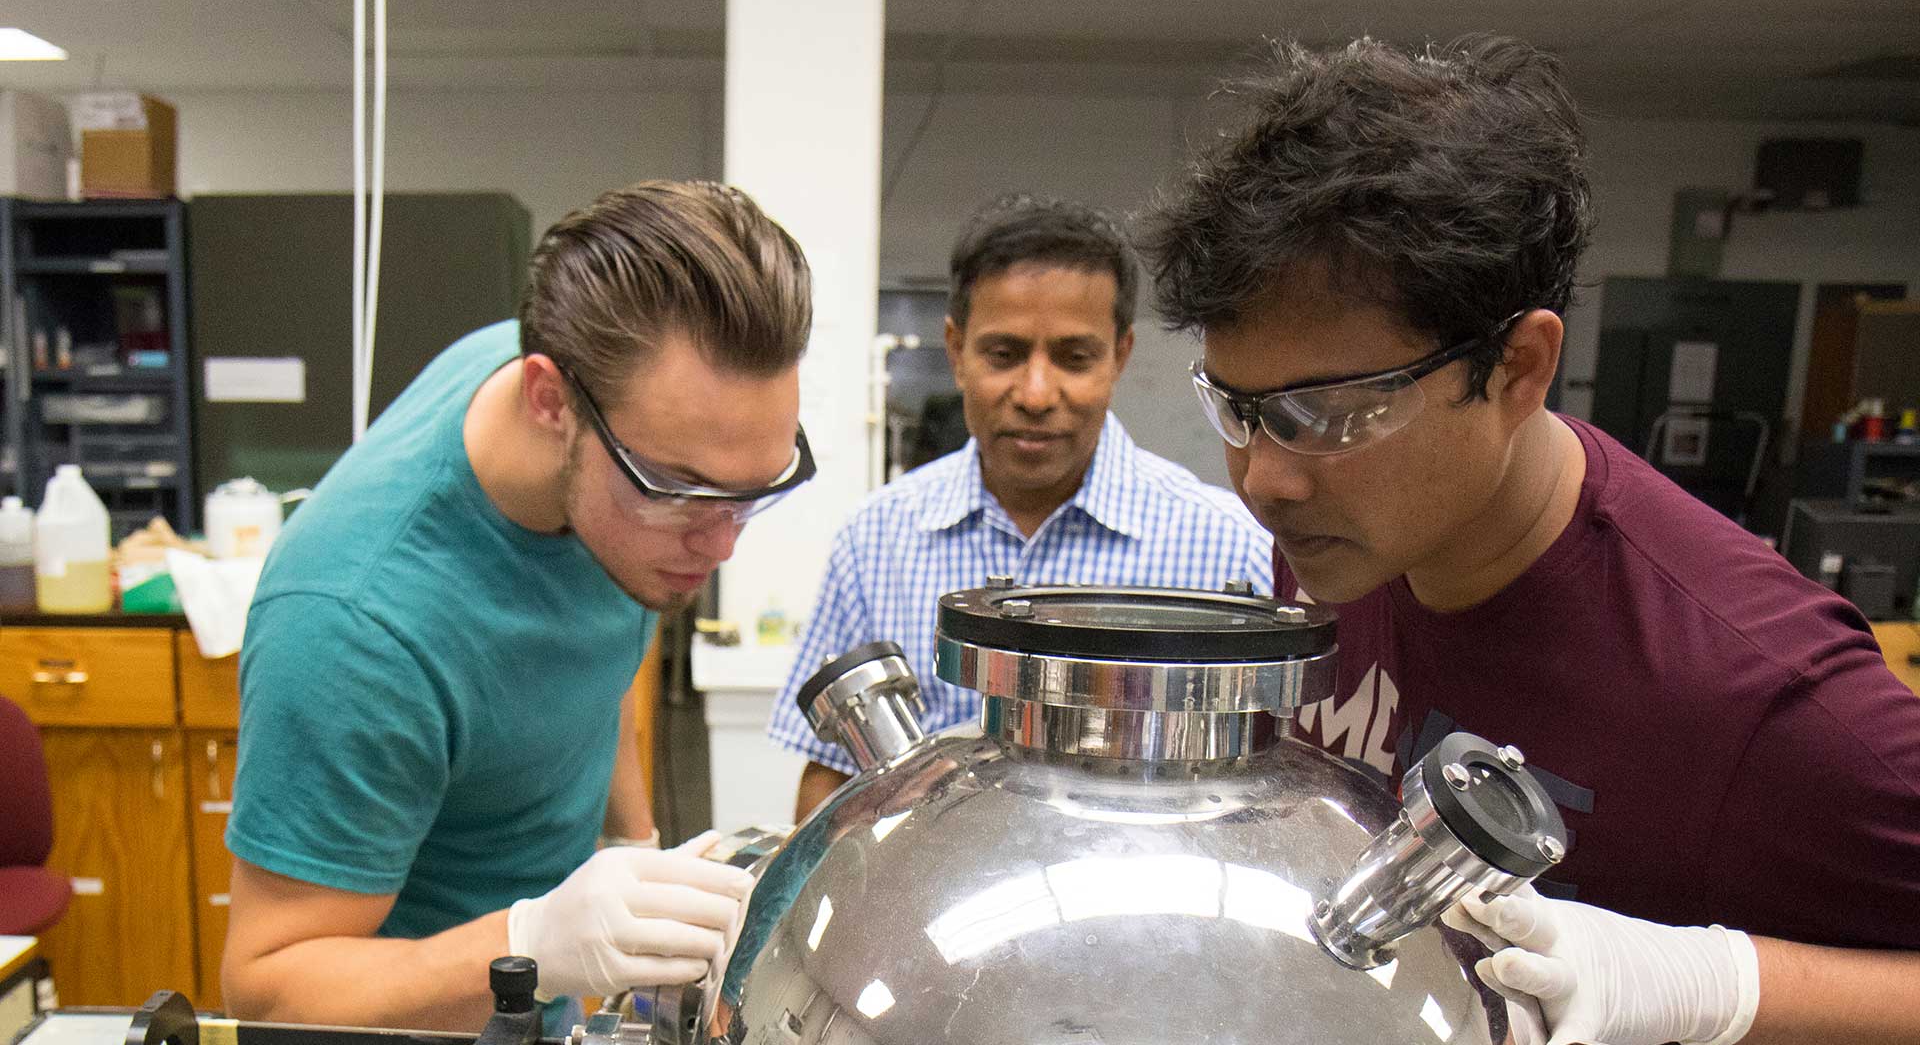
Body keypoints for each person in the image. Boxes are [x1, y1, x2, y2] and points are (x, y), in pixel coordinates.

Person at [1144, 36, 1920, 1045]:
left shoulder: (1749, 687)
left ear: (1518, 368)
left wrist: (1711, 982)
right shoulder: (1341, 540)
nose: (1266, 480)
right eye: (1240, 410)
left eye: (1332, 413)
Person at [222, 181, 816, 1031]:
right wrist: (534, 940)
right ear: (549, 402)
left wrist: (631, 844)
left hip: (541, 997)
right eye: (681, 491)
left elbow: (588, 644)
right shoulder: (353, 628)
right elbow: (266, 984)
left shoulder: (612, 429)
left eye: (752, 494)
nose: (721, 546)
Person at [768, 193, 1274, 819]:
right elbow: (831, 780)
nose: (1036, 394)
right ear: (956, 350)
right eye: (1004, 355)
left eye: (1074, 357)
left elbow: (1272, 789)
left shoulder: (1230, 544)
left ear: (1120, 355)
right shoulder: (876, 540)